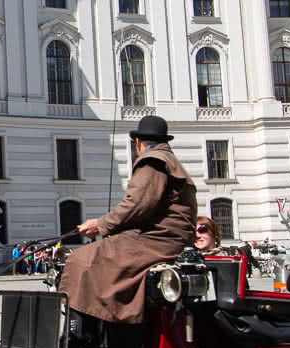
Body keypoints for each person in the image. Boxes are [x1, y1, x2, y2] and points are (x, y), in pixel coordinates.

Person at [61, 115, 197, 326]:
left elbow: (136, 205)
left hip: (157, 241)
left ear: (138, 143)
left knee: (80, 259)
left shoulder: (153, 161)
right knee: (100, 256)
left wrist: (100, 224)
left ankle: (81, 334)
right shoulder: (169, 161)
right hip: (168, 238)